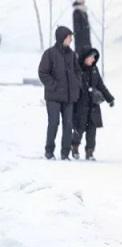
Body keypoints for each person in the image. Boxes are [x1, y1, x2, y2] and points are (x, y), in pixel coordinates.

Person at [38, 26, 82, 160]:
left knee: (68, 124)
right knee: (54, 122)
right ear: (62, 37)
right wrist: (54, 86)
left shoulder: (72, 54)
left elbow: (77, 71)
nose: (71, 39)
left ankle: (65, 153)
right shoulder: (49, 54)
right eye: (69, 37)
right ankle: (49, 151)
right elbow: (43, 73)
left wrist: (76, 84)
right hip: (53, 96)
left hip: (68, 97)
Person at [71, 49, 115, 161]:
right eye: (91, 57)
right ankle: (74, 147)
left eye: (95, 57)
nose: (93, 59)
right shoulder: (77, 69)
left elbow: (101, 85)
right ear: (85, 57)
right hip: (80, 105)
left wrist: (109, 98)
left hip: (93, 105)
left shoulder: (95, 69)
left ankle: (89, 152)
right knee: (79, 129)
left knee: (92, 130)